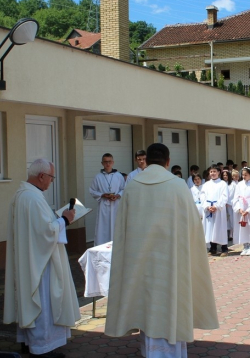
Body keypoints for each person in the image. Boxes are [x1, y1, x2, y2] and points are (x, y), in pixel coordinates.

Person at [105, 143, 219, 357]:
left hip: (140, 264)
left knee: (146, 308)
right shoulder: (177, 186)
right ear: (168, 162)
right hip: (171, 263)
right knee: (170, 307)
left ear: (146, 160)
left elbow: (121, 229)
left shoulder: (132, 185)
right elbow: (193, 225)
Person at [4, 158, 80, 358]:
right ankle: (42, 347)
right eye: (51, 177)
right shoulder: (34, 198)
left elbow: (38, 227)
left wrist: (58, 220)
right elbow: (46, 232)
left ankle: (28, 341)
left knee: (29, 300)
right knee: (44, 301)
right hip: (41, 264)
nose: (51, 181)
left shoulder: (21, 194)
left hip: (29, 259)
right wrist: (65, 219)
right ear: (41, 176)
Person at [89, 153, 125, 246]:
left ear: (113, 162)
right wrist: (102, 195)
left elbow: (124, 189)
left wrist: (117, 195)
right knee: (103, 228)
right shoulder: (98, 177)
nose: (107, 164)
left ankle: (116, 247)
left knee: (116, 227)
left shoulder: (119, 176)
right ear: (102, 163)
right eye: (105, 162)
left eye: (109, 162)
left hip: (116, 205)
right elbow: (92, 190)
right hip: (104, 207)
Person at [201, 165, 229, 257]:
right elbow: (202, 196)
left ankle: (224, 248)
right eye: (211, 172)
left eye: (214, 171)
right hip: (209, 209)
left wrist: (216, 206)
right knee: (210, 229)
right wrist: (207, 206)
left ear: (218, 173)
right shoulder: (206, 185)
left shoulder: (223, 184)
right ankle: (213, 248)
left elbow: (224, 197)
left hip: (218, 210)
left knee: (219, 228)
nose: (212, 173)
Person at [233, 167, 250, 256]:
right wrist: (239, 208)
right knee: (243, 227)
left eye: (246, 175)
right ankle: (245, 246)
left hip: (249, 209)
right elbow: (235, 198)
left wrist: (249, 210)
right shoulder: (239, 185)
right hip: (242, 208)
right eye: (242, 175)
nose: (244, 177)